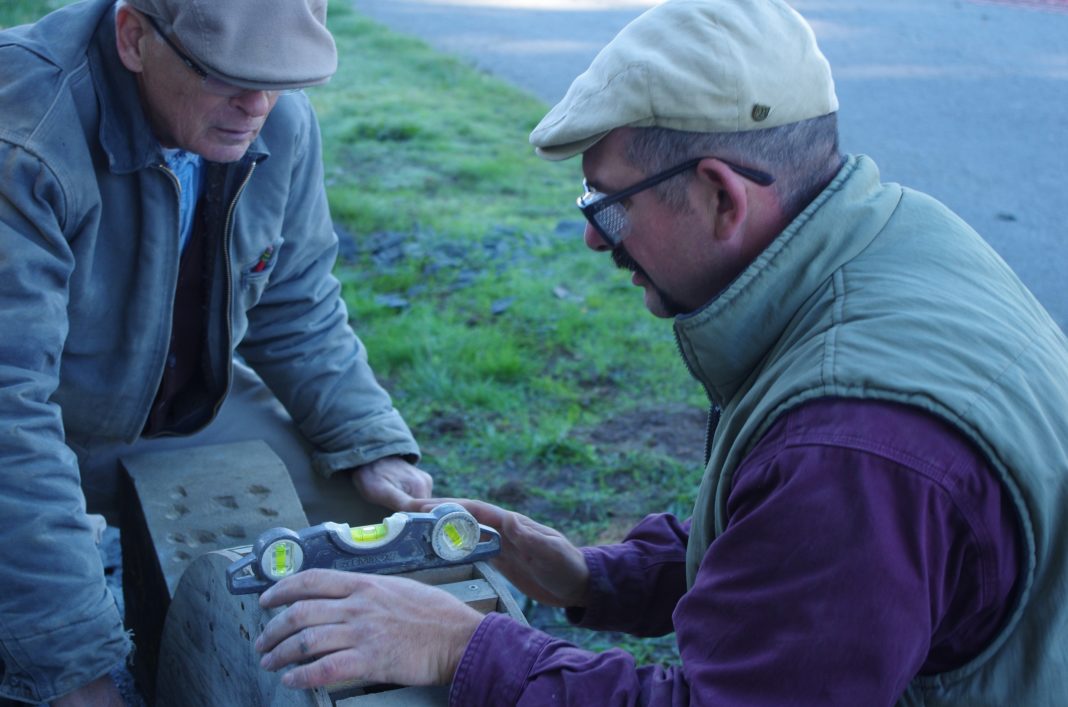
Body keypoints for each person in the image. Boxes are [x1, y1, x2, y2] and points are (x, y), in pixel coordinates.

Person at [254, 0, 1068, 704]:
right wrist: (589, 576)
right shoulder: (890, 237)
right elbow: (802, 558)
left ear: (721, 195)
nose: (589, 236)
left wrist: (461, 645)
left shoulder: (852, 445)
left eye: (608, 205)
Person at [0, 0, 435, 703]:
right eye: (225, 74)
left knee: (386, 542)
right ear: (134, 36)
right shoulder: (24, 133)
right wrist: (77, 668)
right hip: (39, 428)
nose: (257, 106)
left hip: (185, 410)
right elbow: (7, 418)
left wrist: (366, 437)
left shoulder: (279, 122)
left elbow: (296, 302)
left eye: (279, 77)